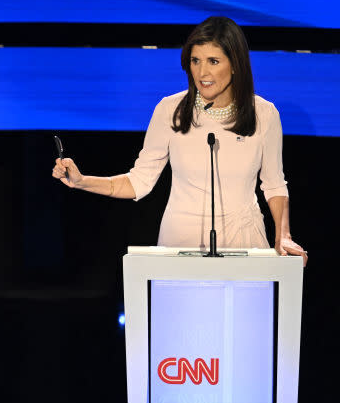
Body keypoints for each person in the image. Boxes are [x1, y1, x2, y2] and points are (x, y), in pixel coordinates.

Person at [52, 16, 307, 263]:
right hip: (181, 243)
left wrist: (283, 235)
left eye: (213, 61)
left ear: (236, 64)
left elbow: (274, 185)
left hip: (244, 242)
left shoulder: (265, 114)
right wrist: (82, 181)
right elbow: (139, 181)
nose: (202, 72)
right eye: (195, 60)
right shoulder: (169, 110)